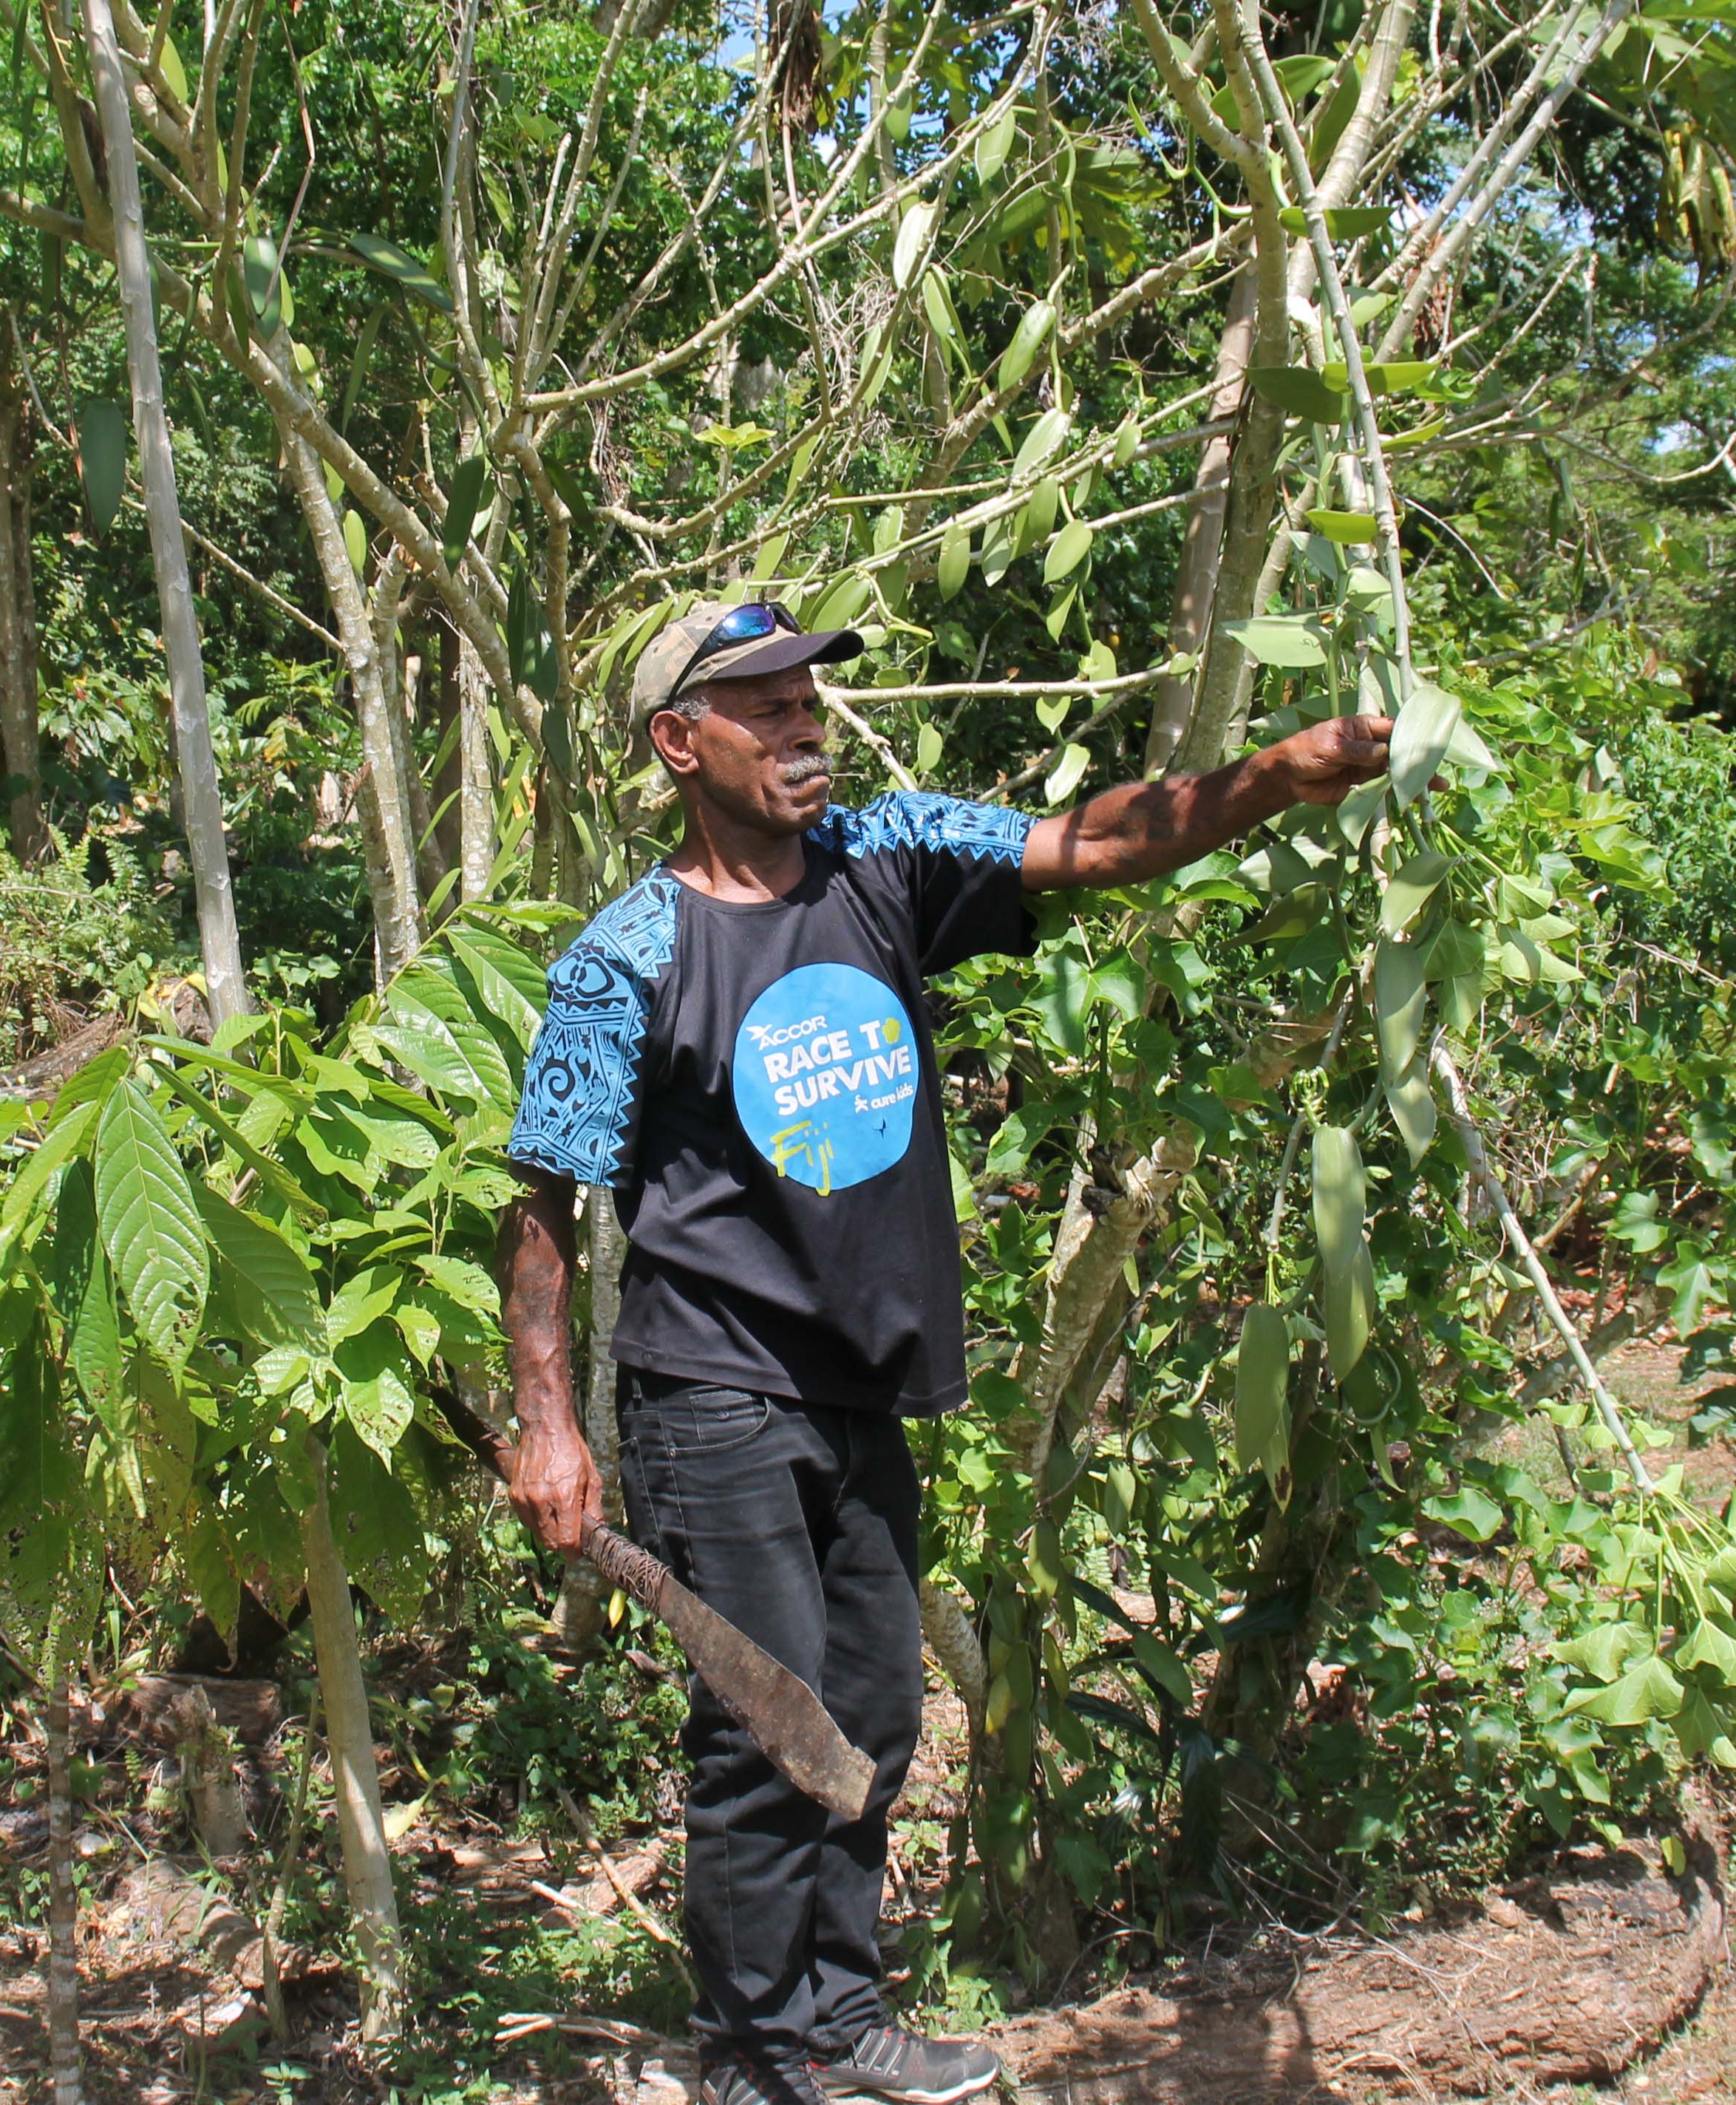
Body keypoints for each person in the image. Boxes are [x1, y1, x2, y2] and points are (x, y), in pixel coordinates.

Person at [496, 600, 1395, 2105]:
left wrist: (1278, 775)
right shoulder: (628, 954)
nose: (804, 725)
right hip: (712, 1389)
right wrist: (549, 1423)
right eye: (765, 706)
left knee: (877, 1708)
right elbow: (542, 1202)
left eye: (808, 700)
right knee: (770, 1731)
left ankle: (842, 2023)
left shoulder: (883, 859)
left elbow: (1097, 840)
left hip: (865, 1379)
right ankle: (752, 2058)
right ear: (679, 742)